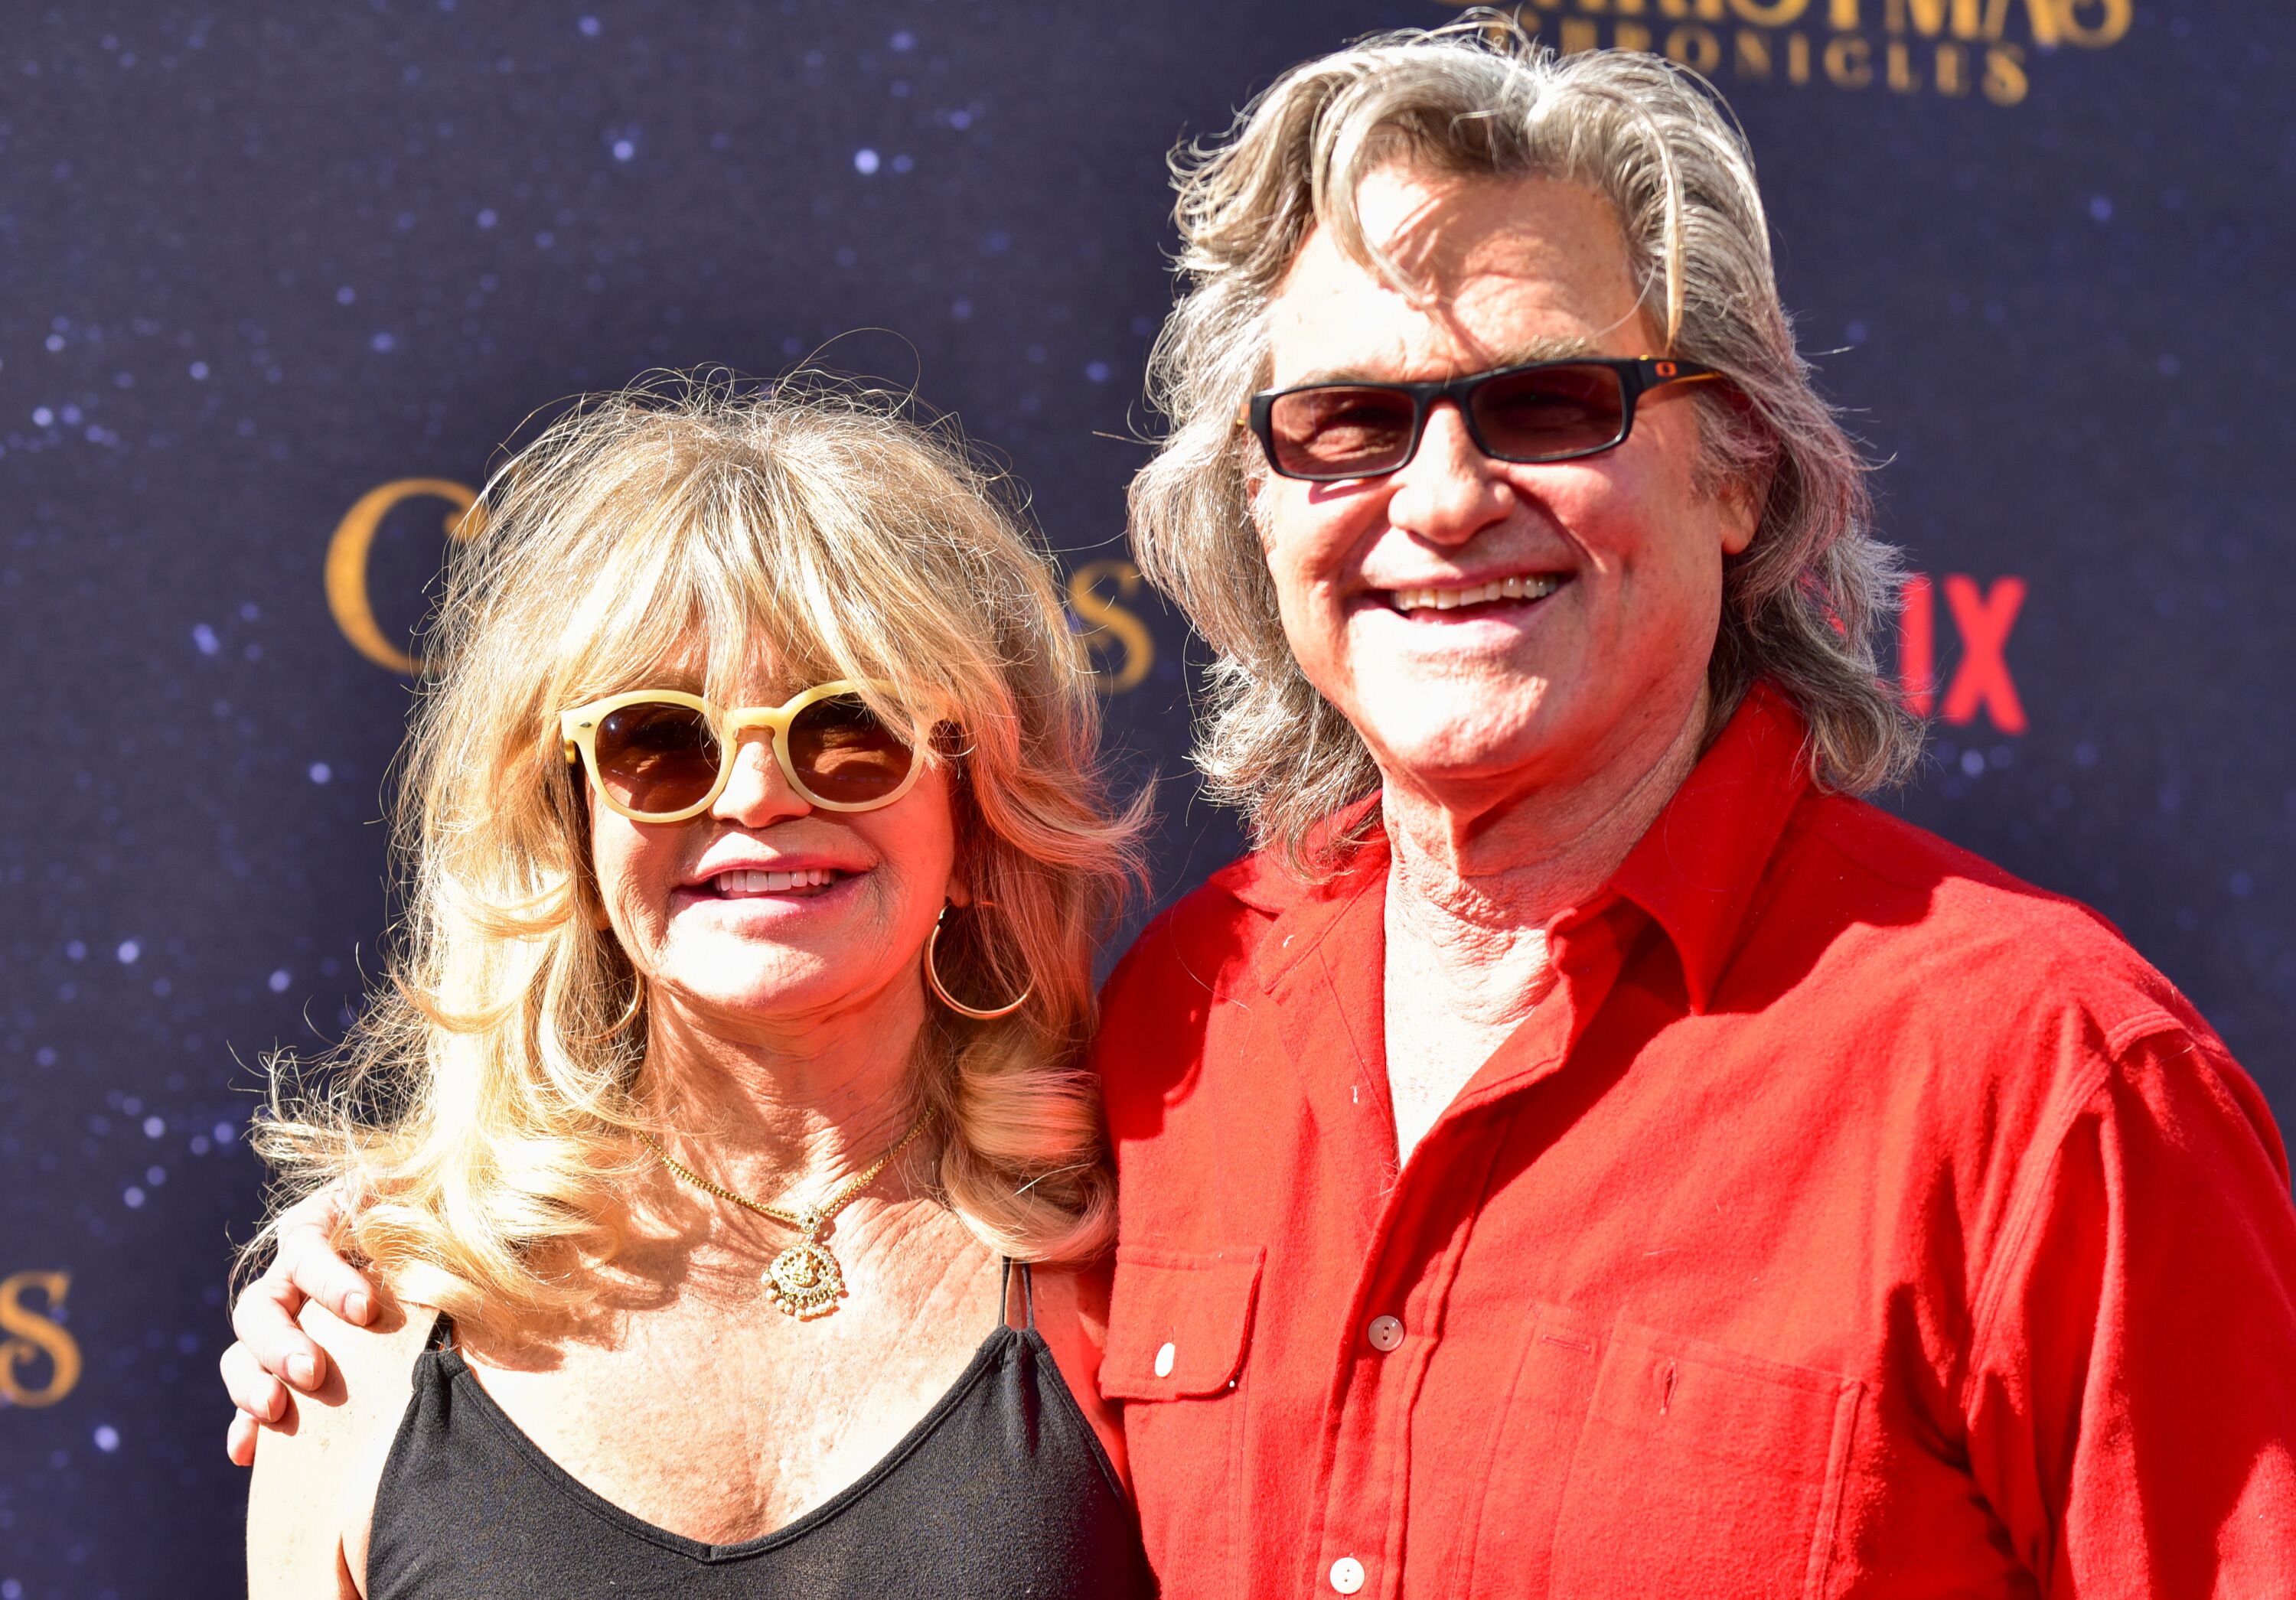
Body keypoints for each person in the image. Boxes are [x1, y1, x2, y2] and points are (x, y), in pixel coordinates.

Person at [226, 27, 2296, 1598]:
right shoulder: (1177, 1042)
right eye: (1349, 424)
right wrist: (357, 1272)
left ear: (1737, 470)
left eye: (1549, 402)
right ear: (1261, 508)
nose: (1443, 495)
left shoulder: (2042, 1074)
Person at [236, 377, 1156, 1598]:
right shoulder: (365, 1322)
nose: (757, 794)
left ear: (975, 803)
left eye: (848, 728)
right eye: (658, 740)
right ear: (567, 821)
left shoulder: (1143, 1257)